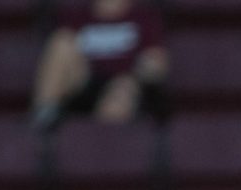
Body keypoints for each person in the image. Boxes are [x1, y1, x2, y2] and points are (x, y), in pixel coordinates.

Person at [33, 0, 168, 129]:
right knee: (61, 42)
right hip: (85, 82)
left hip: (123, 81)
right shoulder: (78, 15)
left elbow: (156, 64)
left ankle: (101, 145)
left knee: (121, 93)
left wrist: (143, 72)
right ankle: (43, 121)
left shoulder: (143, 17)